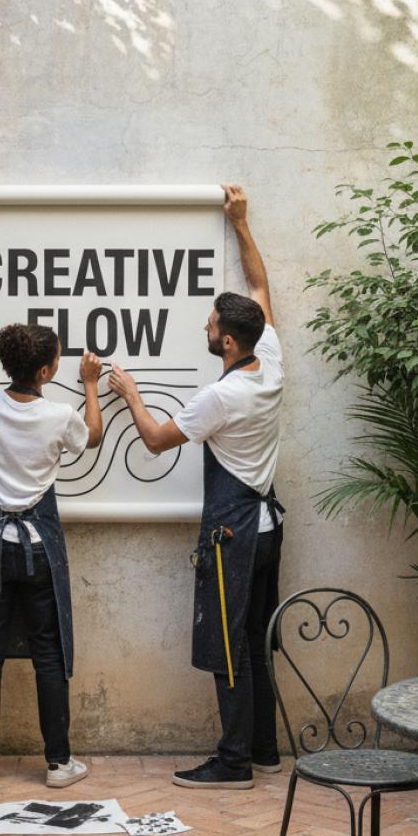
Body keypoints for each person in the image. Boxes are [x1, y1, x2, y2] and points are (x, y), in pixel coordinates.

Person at [107, 185, 283, 788]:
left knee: (228, 648)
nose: (204, 329)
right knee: (254, 641)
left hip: (233, 534)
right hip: (266, 528)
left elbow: (155, 440)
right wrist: (241, 223)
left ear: (228, 343)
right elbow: (260, 291)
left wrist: (129, 391)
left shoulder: (221, 396)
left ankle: (233, 763)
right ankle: (263, 748)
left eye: (210, 326)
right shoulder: (270, 359)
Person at [0, 319, 103, 788]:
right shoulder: (57, 416)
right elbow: (92, 436)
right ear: (47, 371)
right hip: (39, 550)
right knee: (48, 653)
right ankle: (59, 764)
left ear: (5, 362)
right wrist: (90, 385)